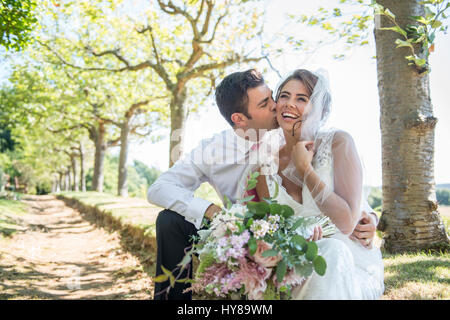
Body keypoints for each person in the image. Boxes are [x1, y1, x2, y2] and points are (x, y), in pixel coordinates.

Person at [147, 69, 379, 300]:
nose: (278, 105)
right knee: (169, 220)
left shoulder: (299, 133)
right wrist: (213, 212)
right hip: (239, 230)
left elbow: (342, 193)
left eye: (274, 97)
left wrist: (368, 216)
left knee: (331, 253)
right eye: (268, 102)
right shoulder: (216, 150)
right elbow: (159, 188)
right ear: (239, 119)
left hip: (302, 237)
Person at [251, 69, 384, 299]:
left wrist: (306, 170)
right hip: (296, 264)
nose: (289, 104)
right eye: (284, 96)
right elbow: (270, 231)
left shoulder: (339, 143)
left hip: (350, 263)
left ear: (319, 109)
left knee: (332, 251)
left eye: (301, 99)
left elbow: (346, 223)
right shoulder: (265, 167)